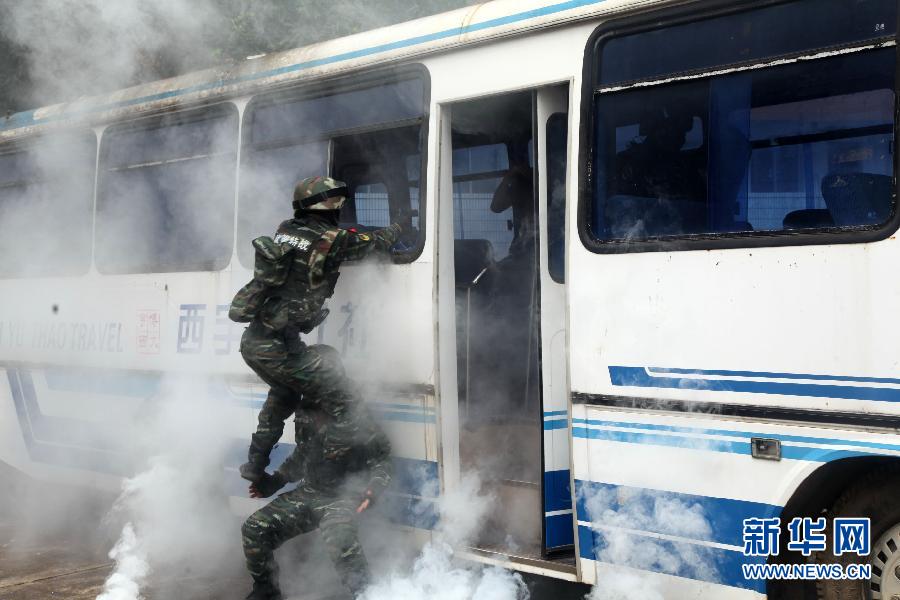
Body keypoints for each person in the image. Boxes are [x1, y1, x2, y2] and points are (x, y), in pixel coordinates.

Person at [229, 176, 401, 484]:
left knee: (284, 393)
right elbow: (376, 243)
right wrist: (400, 225)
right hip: (277, 347)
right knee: (343, 397)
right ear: (329, 207)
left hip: (257, 342)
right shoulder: (332, 239)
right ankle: (333, 475)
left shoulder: (285, 229)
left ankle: (255, 464)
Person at [240, 390, 393, 600]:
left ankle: (366, 594)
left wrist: (372, 490)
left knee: (339, 535)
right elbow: (302, 455)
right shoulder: (304, 410)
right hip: (309, 492)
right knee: (254, 527)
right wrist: (275, 482)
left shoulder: (354, 414)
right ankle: (266, 590)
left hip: (345, 496)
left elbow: (383, 459)